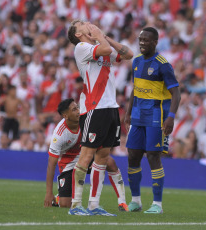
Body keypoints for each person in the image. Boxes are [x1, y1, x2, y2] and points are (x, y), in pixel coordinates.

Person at [67, 20, 133, 216]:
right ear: (78, 34)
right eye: (82, 24)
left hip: (111, 107)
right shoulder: (82, 47)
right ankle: (76, 205)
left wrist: (105, 37)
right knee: (86, 156)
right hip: (94, 108)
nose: (88, 23)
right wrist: (100, 36)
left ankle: (94, 205)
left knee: (102, 157)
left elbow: (128, 54)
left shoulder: (99, 44)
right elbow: (105, 50)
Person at [124, 27, 181, 214]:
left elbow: (176, 93)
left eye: (146, 40)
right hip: (138, 115)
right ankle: (136, 201)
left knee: (152, 156)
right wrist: (128, 111)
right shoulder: (137, 61)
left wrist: (171, 117)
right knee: (133, 155)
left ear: (155, 42)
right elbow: (135, 88)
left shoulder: (163, 64)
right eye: (140, 40)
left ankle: (157, 204)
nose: (142, 43)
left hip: (157, 115)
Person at [44, 99, 128, 211]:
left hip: (86, 156)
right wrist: (48, 193)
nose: (78, 111)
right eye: (74, 109)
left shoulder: (86, 119)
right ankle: (59, 197)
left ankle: (122, 202)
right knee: (65, 204)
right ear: (66, 115)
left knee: (110, 162)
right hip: (68, 165)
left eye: (77, 107)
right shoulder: (59, 134)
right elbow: (51, 164)